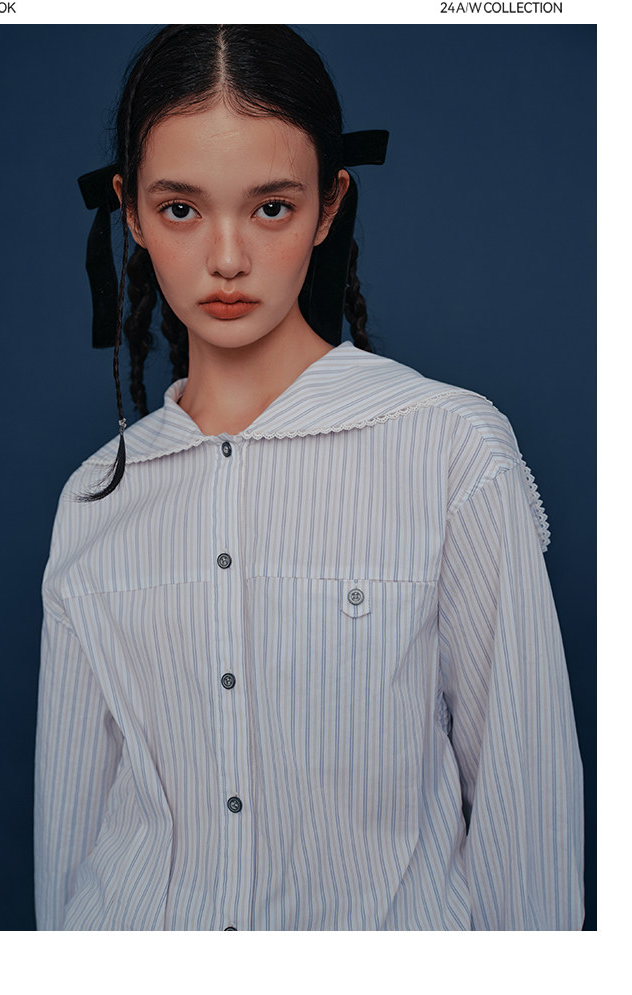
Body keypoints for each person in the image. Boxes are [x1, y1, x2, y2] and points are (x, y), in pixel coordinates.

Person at [35, 24, 583, 931]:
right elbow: (70, 838)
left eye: (270, 208)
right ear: (129, 212)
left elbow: (527, 820)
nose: (227, 258)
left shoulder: (451, 451)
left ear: (330, 205)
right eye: (181, 209)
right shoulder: (95, 498)